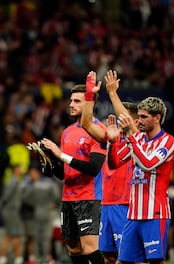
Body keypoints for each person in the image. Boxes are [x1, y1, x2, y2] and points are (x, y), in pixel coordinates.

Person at [40, 81, 106, 264]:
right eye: (71, 100)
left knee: (89, 248)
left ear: (89, 104)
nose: (71, 104)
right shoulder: (67, 132)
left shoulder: (99, 130)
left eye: (77, 101)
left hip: (89, 197)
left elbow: (93, 169)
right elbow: (63, 173)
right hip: (68, 198)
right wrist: (50, 163)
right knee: (73, 249)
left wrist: (60, 154)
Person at [106, 97, 174, 264]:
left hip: (155, 214)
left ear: (157, 118)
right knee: (122, 261)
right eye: (139, 116)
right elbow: (114, 163)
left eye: (144, 117)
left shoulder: (168, 141)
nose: (139, 120)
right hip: (133, 215)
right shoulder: (140, 139)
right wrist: (111, 141)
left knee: (155, 262)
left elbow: (148, 164)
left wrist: (130, 136)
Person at [80, 70, 138, 264]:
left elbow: (129, 123)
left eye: (124, 118)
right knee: (109, 257)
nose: (120, 120)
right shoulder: (112, 137)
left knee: (127, 257)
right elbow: (86, 123)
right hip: (106, 204)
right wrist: (90, 97)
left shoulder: (140, 139)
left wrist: (112, 93)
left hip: (126, 204)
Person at [21, 159, 61, 264]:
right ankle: (36, 258)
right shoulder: (28, 183)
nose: (32, 174)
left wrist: (52, 204)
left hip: (46, 213)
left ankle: (46, 257)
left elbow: (56, 197)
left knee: (46, 237)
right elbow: (24, 198)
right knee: (35, 237)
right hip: (33, 214)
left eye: (34, 172)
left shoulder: (48, 183)